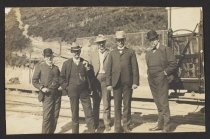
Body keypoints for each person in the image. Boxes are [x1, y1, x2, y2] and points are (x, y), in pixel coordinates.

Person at [106, 31, 139, 133]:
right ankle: (117, 127)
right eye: (118, 40)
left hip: (127, 83)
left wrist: (135, 82)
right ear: (116, 41)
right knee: (117, 105)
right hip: (116, 83)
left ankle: (126, 125)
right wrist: (108, 83)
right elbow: (108, 69)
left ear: (124, 40)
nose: (120, 42)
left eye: (121, 40)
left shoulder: (130, 52)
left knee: (127, 104)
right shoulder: (112, 53)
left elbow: (135, 68)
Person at [145, 30, 177, 132]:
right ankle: (160, 124)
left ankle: (167, 125)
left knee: (163, 102)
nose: (152, 42)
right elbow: (148, 65)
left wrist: (164, 73)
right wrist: (149, 75)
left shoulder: (165, 49)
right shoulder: (149, 52)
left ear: (158, 39)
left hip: (162, 79)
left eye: (154, 39)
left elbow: (173, 64)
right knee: (157, 102)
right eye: (150, 40)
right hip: (152, 79)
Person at [59, 42, 95, 133]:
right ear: (72, 52)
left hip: (84, 92)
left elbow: (91, 77)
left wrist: (88, 69)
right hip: (73, 92)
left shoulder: (85, 62)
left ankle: (92, 132)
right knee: (74, 114)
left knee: (89, 112)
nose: (76, 53)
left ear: (80, 51)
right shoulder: (66, 64)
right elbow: (61, 78)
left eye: (78, 51)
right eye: (74, 51)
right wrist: (67, 88)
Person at [32, 48, 61, 134]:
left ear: (53, 56)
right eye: (47, 56)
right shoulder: (40, 67)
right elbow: (34, 81)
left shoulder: (56, 68)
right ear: (44, 57)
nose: (49, 58)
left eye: (50, 56)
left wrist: (61, 86)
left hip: (57, 95)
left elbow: (60, 79)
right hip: (47, 95)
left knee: (55, 116)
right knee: (47, 117)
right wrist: (42, 88)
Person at [87, 34, 112, 132]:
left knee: (106, 103)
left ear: (105, 43)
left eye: (102, 43)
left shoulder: (110, 53)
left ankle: (107, 124)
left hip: (106, 79)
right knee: (96, 103)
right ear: (97, 44)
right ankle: (96, 123)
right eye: (99, 43)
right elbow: (88, 66)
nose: (101, 45)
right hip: (96, 80)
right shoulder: (92, 54)